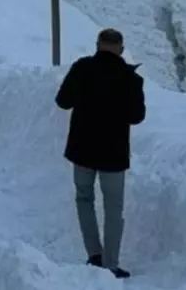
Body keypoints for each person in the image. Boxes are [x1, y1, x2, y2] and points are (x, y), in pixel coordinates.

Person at [54, 28, 146, 279]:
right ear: (121, 49)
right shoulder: (131, 78)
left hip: (81, 149)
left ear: (97, 45)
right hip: (113, 154)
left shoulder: (82, 68)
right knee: (113, 207)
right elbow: (137, 117)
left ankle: (94, 255)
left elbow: (62, 101)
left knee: (84, 199)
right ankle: (111, 264)